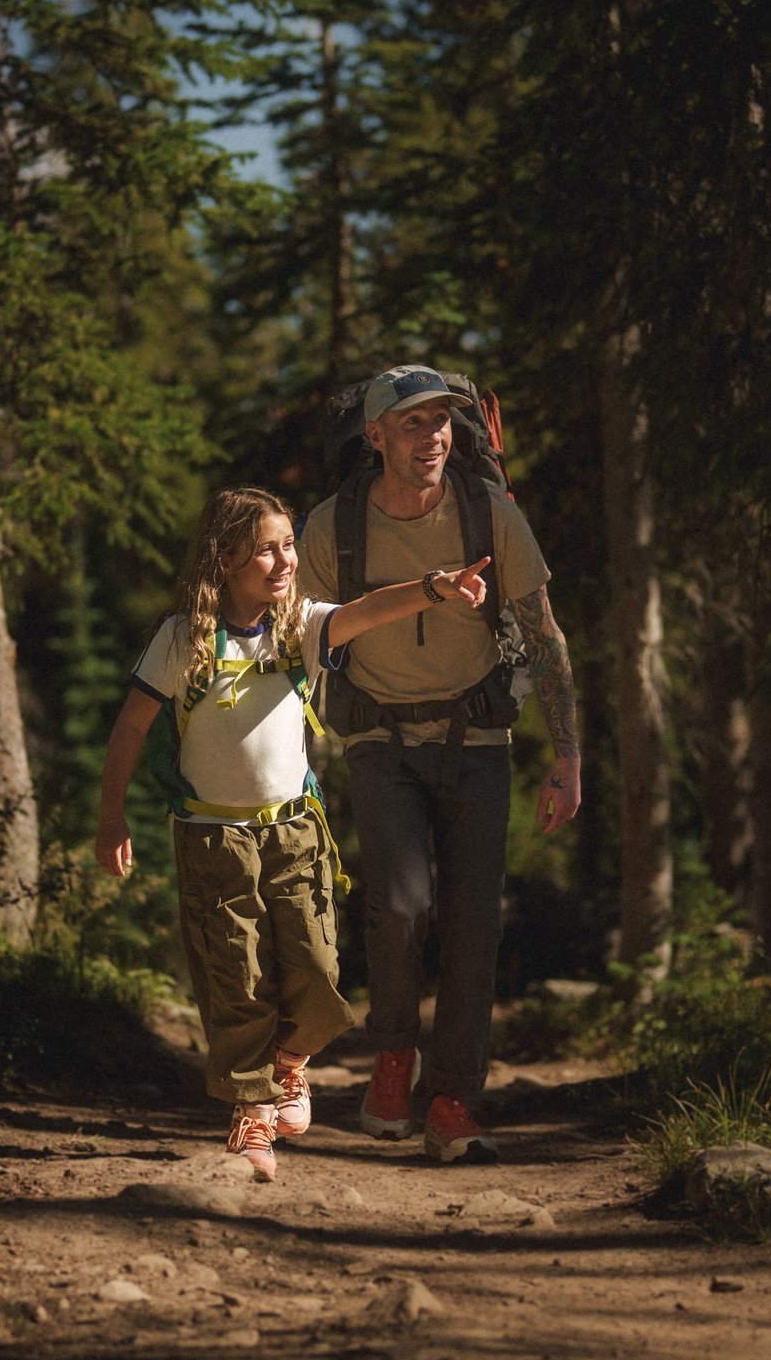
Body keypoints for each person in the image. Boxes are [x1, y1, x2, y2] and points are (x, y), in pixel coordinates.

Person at [94, 485, 491, 1181]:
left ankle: (290, 1064)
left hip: (295, 833)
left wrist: (432, 588)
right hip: (214, 838)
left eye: (288, 547)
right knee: (236, 976)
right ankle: (250, 1113)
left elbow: (367, 611)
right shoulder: (184, 636)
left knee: (317, 967)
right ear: (225, 558)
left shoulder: (299, 626)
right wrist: (111, 816)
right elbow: (130, 727)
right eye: (268, 549)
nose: (284, 561)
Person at [299, 366, 581, 1164]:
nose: (433, 438)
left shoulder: (487, 512)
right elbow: (305, 644)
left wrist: (567, 754)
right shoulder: (334, 525)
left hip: (477, 740)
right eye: (414, 424)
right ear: (376, 436)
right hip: (378, 739)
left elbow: (545, 632)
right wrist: (299, 754)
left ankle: (453, 1096)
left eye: (443, 422)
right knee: (397, 904)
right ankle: (393, 1058)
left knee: (474, 925)